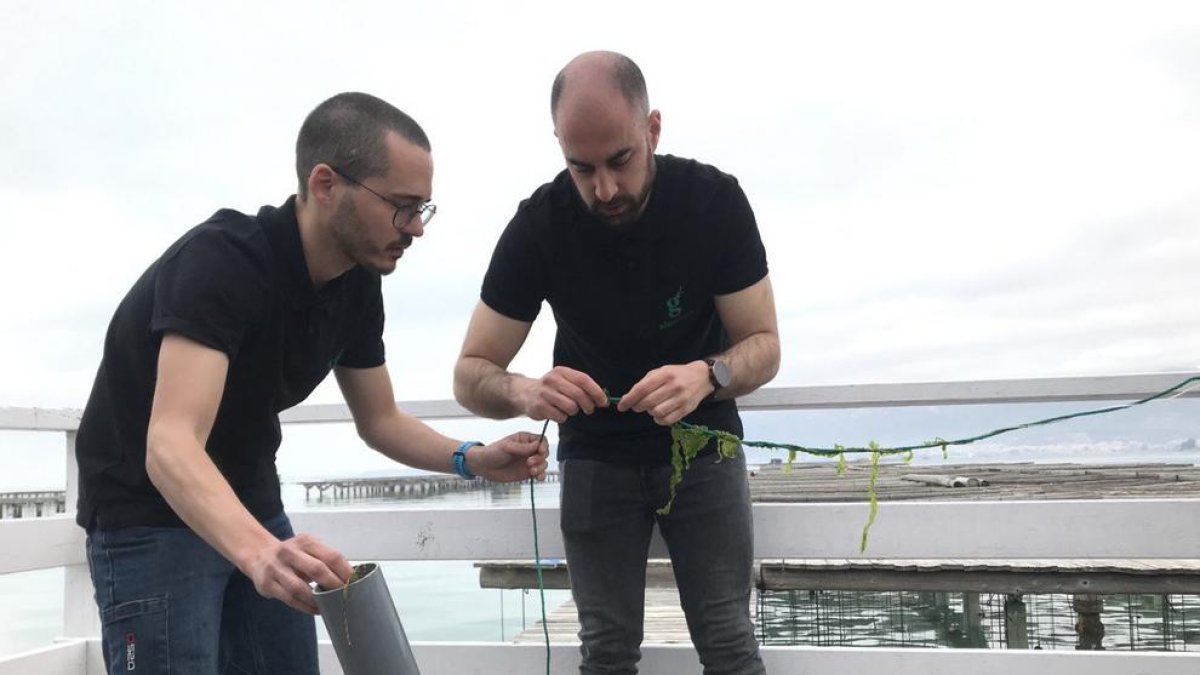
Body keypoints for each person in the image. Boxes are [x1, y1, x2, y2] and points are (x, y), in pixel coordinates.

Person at [74, 92, 549, 675]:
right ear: (325, 184)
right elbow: (170, 443)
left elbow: (380, 421)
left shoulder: (357, 282)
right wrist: (260, 553)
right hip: (147, 516)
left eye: (424, 208)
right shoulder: (222, 263)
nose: (416, 229)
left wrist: (471, 459)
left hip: (252, 503)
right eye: (402, 206)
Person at [453, 52, 780, 675]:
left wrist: (706, 376)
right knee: (605, 651)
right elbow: (471, 371)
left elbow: (764, 345)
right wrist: (525, 391)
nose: (603, 188)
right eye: (581, 168)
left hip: (703, 446)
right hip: (596, 458)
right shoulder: (538, 227)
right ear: (559, 146)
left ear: (652, 129)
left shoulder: (713, 203)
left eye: (620, 161)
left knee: (729, 643)